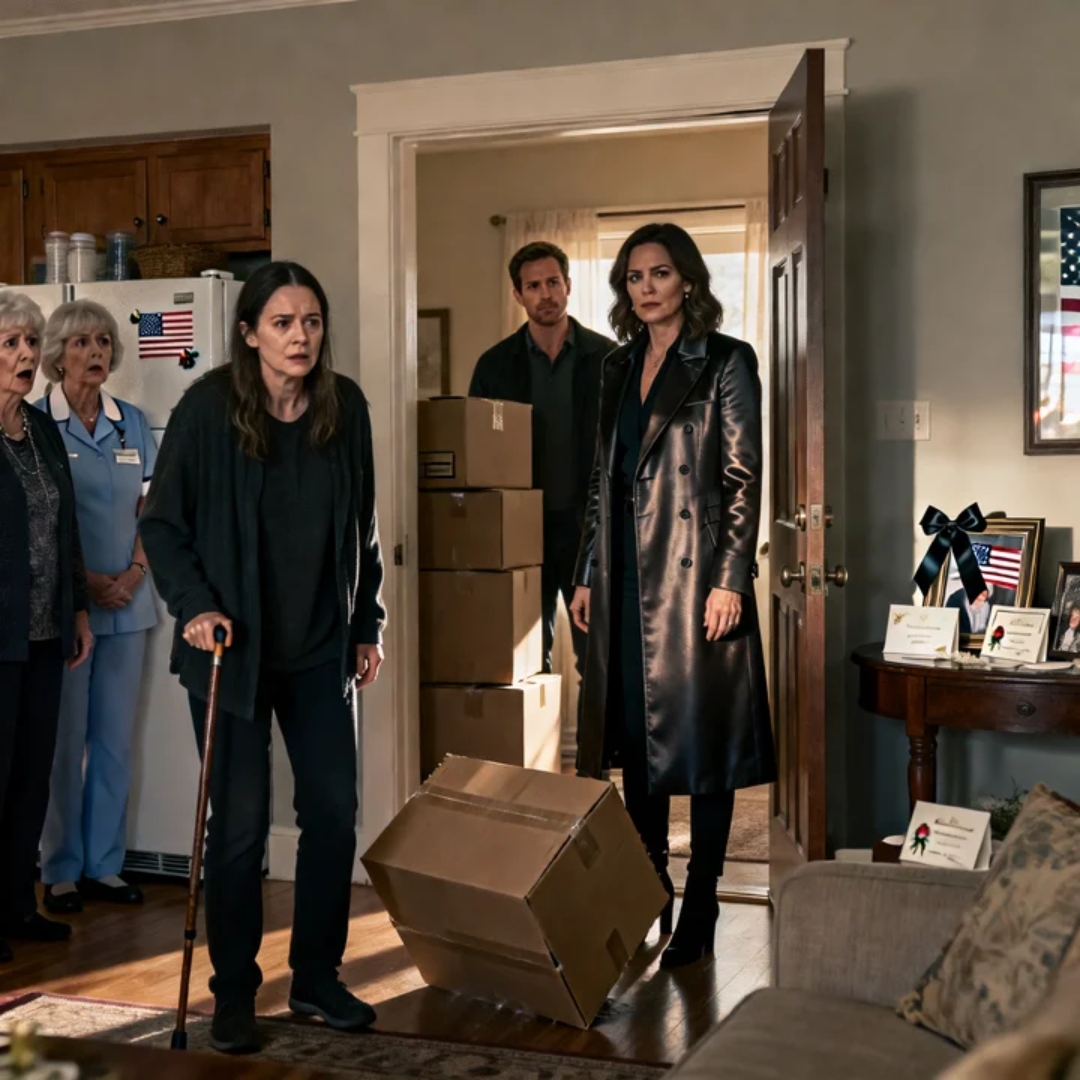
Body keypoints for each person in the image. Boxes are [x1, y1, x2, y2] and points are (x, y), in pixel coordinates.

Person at [139, 262, 386, 1054]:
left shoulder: (346, 409)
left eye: (311, 321)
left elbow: (364, 529)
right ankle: (235, 993)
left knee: (334, 812)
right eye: (282, 323)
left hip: (320, 650)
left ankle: (316, 976)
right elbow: (161, 524)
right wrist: (194, 605)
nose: (300, 337)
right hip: (231, 653)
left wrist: (367, 623)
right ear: (249, 334)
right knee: (240, 827)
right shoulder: (207, 409)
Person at [569, 223, 775, 969]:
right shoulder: (615, 366)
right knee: (638, 744)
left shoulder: (726, 360)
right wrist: (586, 569)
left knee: (706, 748)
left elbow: (742, 480)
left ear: (687, 279)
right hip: (623, 577)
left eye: (659, 273)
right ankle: (650, 883)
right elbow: (603, 478)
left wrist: (730, 579)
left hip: (695, 581)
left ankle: (704, 899)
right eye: (634, 277)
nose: (647, 287)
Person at [34, 300, 157, 915]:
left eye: (104, 341)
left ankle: (103, 865)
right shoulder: (34, 424)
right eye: (82, 342)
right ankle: (59, 868)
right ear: (58, 356)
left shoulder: (131, 423)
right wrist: (88, 583)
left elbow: (153, 511)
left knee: (113, 742)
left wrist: (133, 574)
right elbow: (40, 522)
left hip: (129, 605)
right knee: (64, 742)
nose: (96, 352)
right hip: (65, 607)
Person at [469, 242, 615, 733]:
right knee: (527, 661)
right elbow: (478, 453)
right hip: (520, 533)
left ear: (568, 286)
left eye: (553, 282)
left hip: (589, 532)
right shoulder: (494, 365)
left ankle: (596, 767)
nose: (546, 293)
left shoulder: (607, 359)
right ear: (518, 295)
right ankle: (538, 763)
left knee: (597, 658)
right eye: (533, 286)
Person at [0, 292, 94, 964]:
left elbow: (68, 527)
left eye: (31, 341)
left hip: (42, 633)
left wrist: (78, 609)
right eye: (10, 343)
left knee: (32, 775)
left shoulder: (40, 429)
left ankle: (15, 904)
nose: (26, 354)